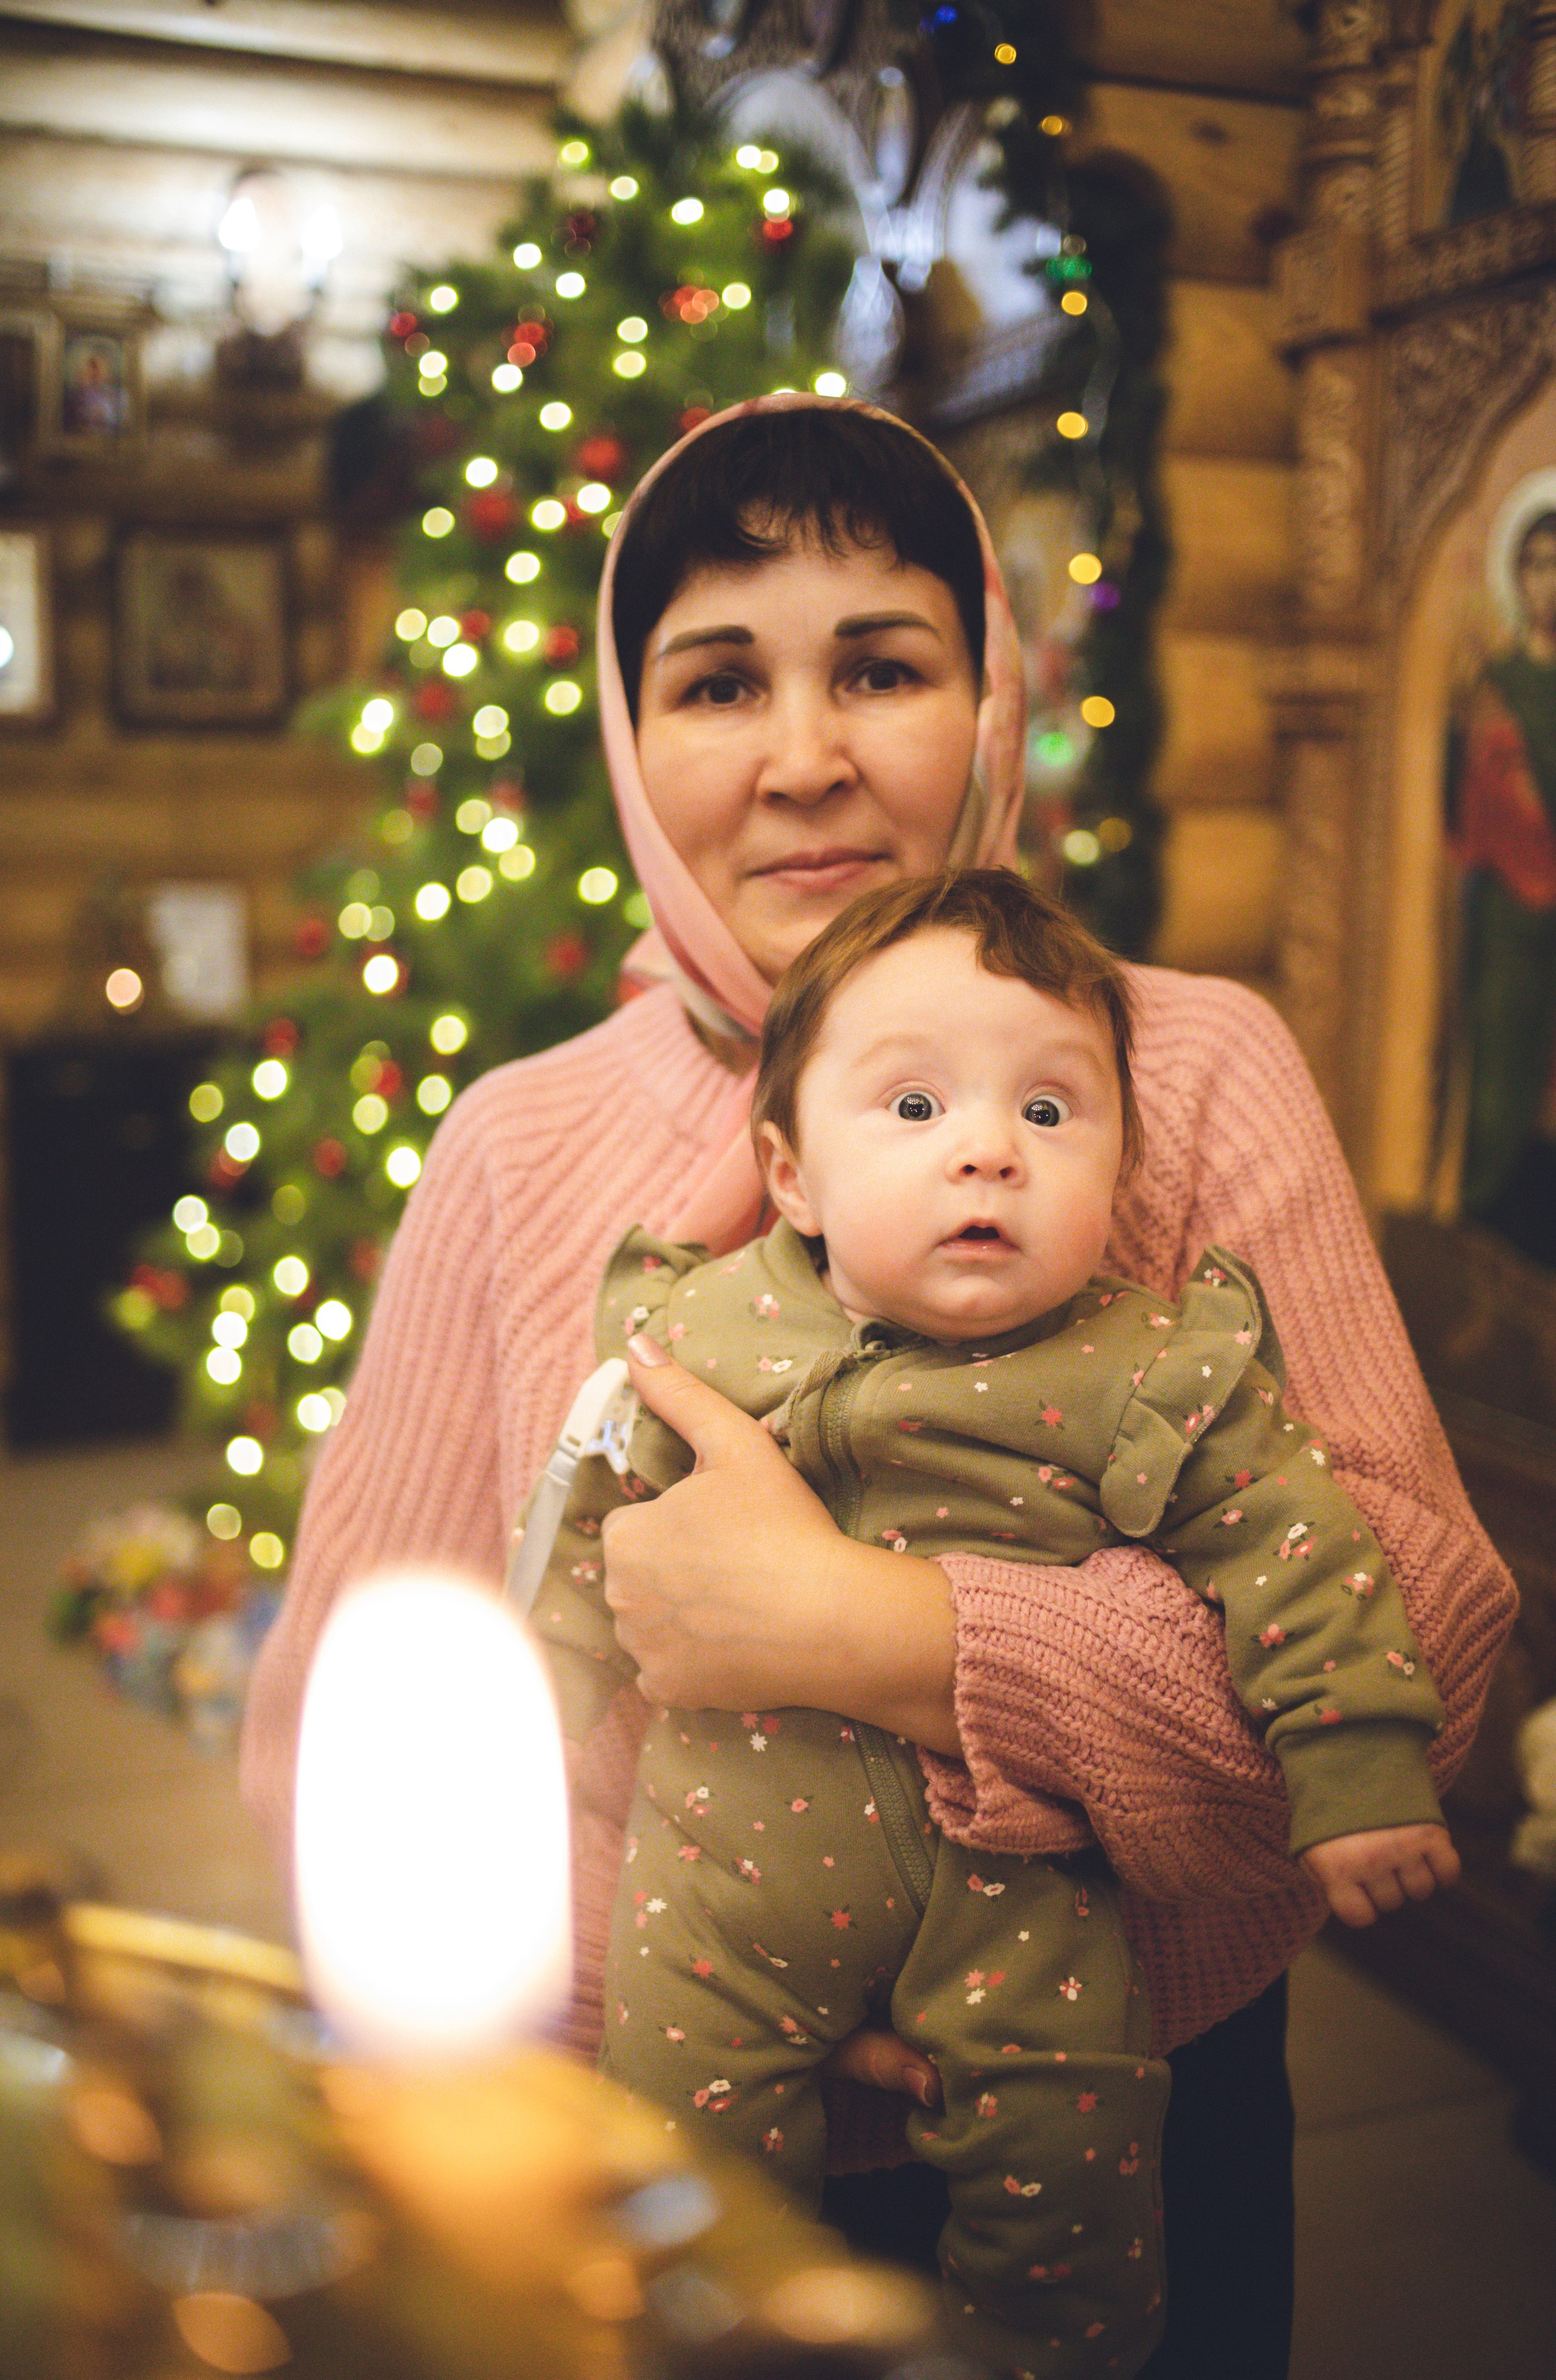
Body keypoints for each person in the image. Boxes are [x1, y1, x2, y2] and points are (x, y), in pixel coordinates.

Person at [240, 397, 1516, 2380]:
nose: (806, 755)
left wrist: (885, 1635)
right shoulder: (515, 1145)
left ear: (992, 694)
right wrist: (715, 1978)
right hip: (667, 2111)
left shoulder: (1180, 1069)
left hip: (1139, 2108)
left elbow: (1425, 1630)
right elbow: (363, 1699)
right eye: (719, 679)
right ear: (630, 735)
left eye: (883, 665)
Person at [526, 866, 1457, 2378]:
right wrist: (535, 1710)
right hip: (720, 1891)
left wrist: (1353, 1766)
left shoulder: (1149, 1362)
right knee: (672, 2216)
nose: (984, 1152)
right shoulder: (704, 1331)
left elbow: (1303, 1549)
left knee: (1076, 2201)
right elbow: (585, 1537)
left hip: (1023, 1883)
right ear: (790, 1177)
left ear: (1119, 1168)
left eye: (1047, 1111)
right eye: (911, 1110)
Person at [1446, 502, 1556, 1266]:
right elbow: (1475, 809)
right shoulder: (1494, 685)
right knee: (1504, 1082)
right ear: (1515, 578)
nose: (1549, 583)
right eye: (1537, 564)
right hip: (1513, 923)